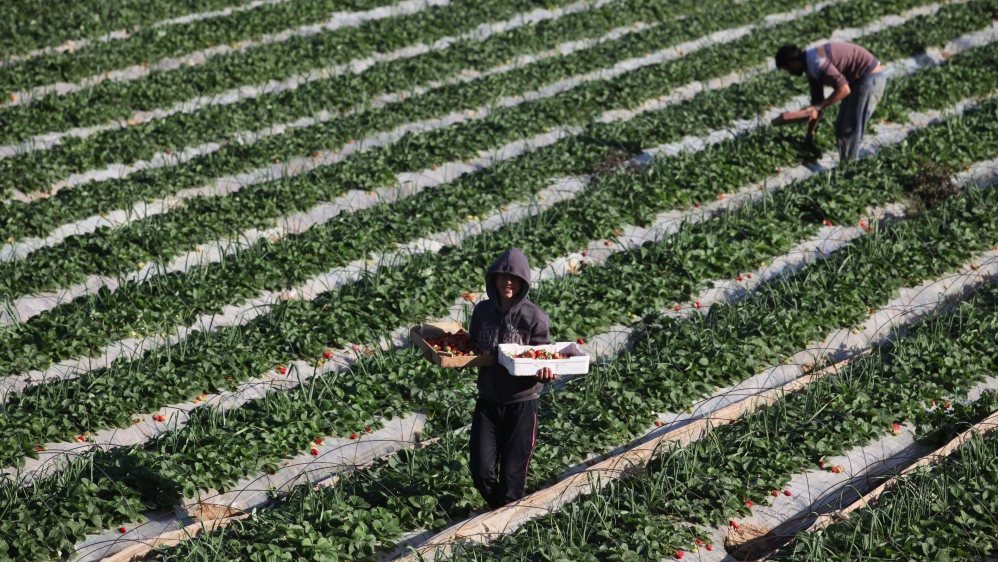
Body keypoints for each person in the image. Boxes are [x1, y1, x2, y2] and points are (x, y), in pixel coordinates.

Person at [468, 247, 556, 510]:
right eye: (503, 276)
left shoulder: (535, 318)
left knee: (513, 475)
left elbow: (545, 356)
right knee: (480, 469)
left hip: (522, 403)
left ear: (523, 282)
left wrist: (547, 373)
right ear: (493, 279)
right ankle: (500, 510)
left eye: (514, 278)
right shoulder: (482, 312)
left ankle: (505, 523)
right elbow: (471, 346)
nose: (508, 282)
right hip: (488, 401)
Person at [775, 41, 887, 161]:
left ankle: (849, 167)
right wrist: (810, 133)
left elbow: (844, 89)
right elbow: (817, 102)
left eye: (787, 69)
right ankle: (847, 164)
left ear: (792, 63)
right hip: (857, 81)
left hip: (870, 77)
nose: (790, 73)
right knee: (840, 127)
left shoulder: (817, 63)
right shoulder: (810, 67)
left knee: (850, 128)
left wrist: (817, 107)